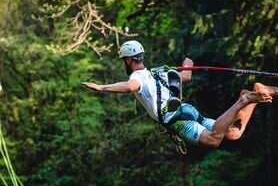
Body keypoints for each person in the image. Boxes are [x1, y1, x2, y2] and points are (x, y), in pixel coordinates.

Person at [82, 40, 278, 148]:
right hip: (187, 111)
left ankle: (243, 100)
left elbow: (129, 86)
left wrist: (101, 88)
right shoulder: (157, 73)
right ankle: (251, 96)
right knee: (233, 133)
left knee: (213, 139)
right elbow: (185, 77)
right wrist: (187, 65)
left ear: (127, 61)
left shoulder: (138, 76)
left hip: (177, 119)